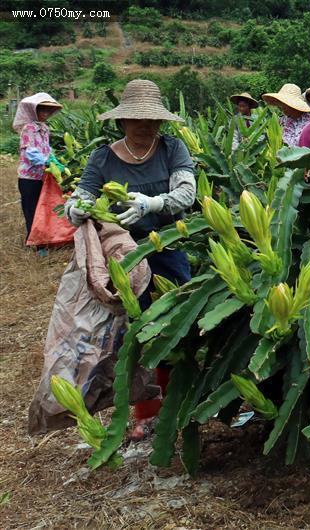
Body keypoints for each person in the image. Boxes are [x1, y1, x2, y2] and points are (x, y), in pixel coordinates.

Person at [63, 79, 197, 440]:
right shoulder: (103, 157)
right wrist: (75, 208)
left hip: (167, 250)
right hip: (122, 257)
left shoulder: (173, 149)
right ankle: (145, 411)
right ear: (122, 121)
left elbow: (187, 192)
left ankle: (180, 403)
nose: (145, 125)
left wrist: (153, 204)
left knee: (175, 326)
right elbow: (79, 196)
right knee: (131, 334)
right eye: (137, 118)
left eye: (152, 119)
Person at [13, 93, 62, 244]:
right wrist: (47, 162)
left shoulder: (45, 128)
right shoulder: (28, 128)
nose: (45, 114)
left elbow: (46, 149)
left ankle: (43, 238)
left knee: (43, 208)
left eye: (48, 111)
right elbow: (30, 153)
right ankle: (33, 241)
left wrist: (55, 160)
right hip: (29, 178)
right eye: (42, 110)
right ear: (34, 111)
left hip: (43, 176)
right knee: (31, 209)